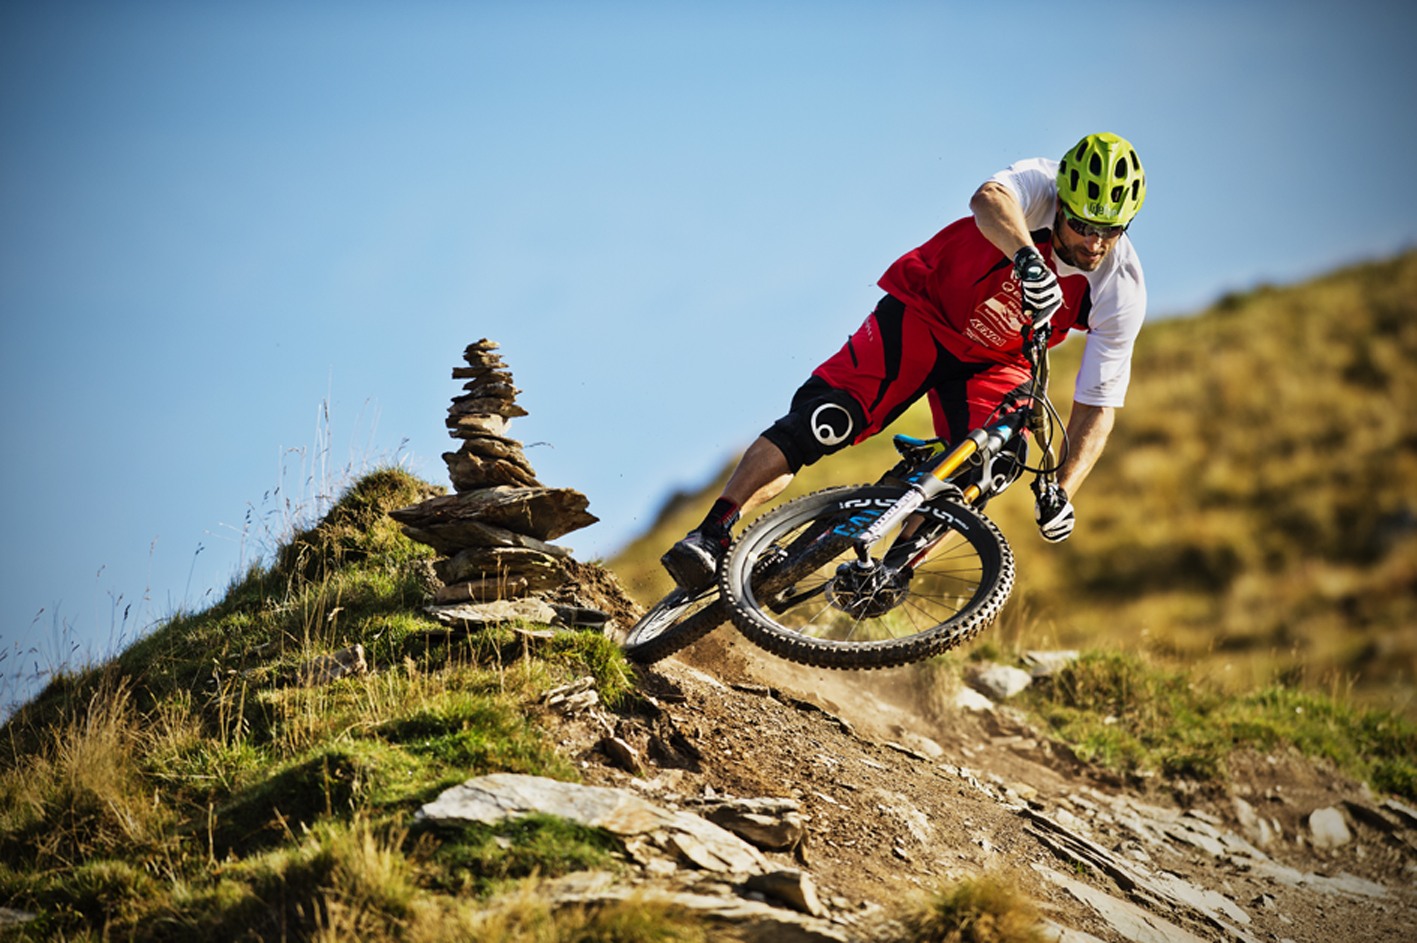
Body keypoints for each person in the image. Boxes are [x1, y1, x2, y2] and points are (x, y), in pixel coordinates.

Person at [662, 132, 1148, 593]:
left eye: (1109, 231)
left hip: (998, 362)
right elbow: (987, 198)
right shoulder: (1039, 183)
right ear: (1061, 201)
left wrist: (1064, 489)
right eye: (1082, 225)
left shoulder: (1120, 286)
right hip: (923, 314)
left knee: (993, 465)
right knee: (826, 420)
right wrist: (1024, 256)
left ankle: (889, 571)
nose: (1093, 243)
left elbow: (1097, 403)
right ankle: (712, 534)